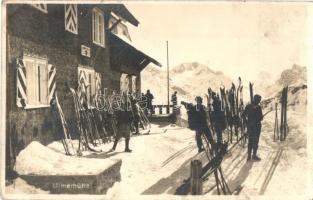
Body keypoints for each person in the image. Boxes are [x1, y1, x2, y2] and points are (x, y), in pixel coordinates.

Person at [243, 94, 263, 161]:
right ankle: (250, 155)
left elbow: (261, 117)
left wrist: (250, 122)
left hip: (255, 127)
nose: (258, 102)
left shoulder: (257, 107)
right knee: (252, 141)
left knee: (254, 141)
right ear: (255, 100)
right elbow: (243, 115)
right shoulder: (249, 107)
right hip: (252, 127)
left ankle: (252, 155)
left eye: (259, 101)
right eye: (258, 100)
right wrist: (247, 123)